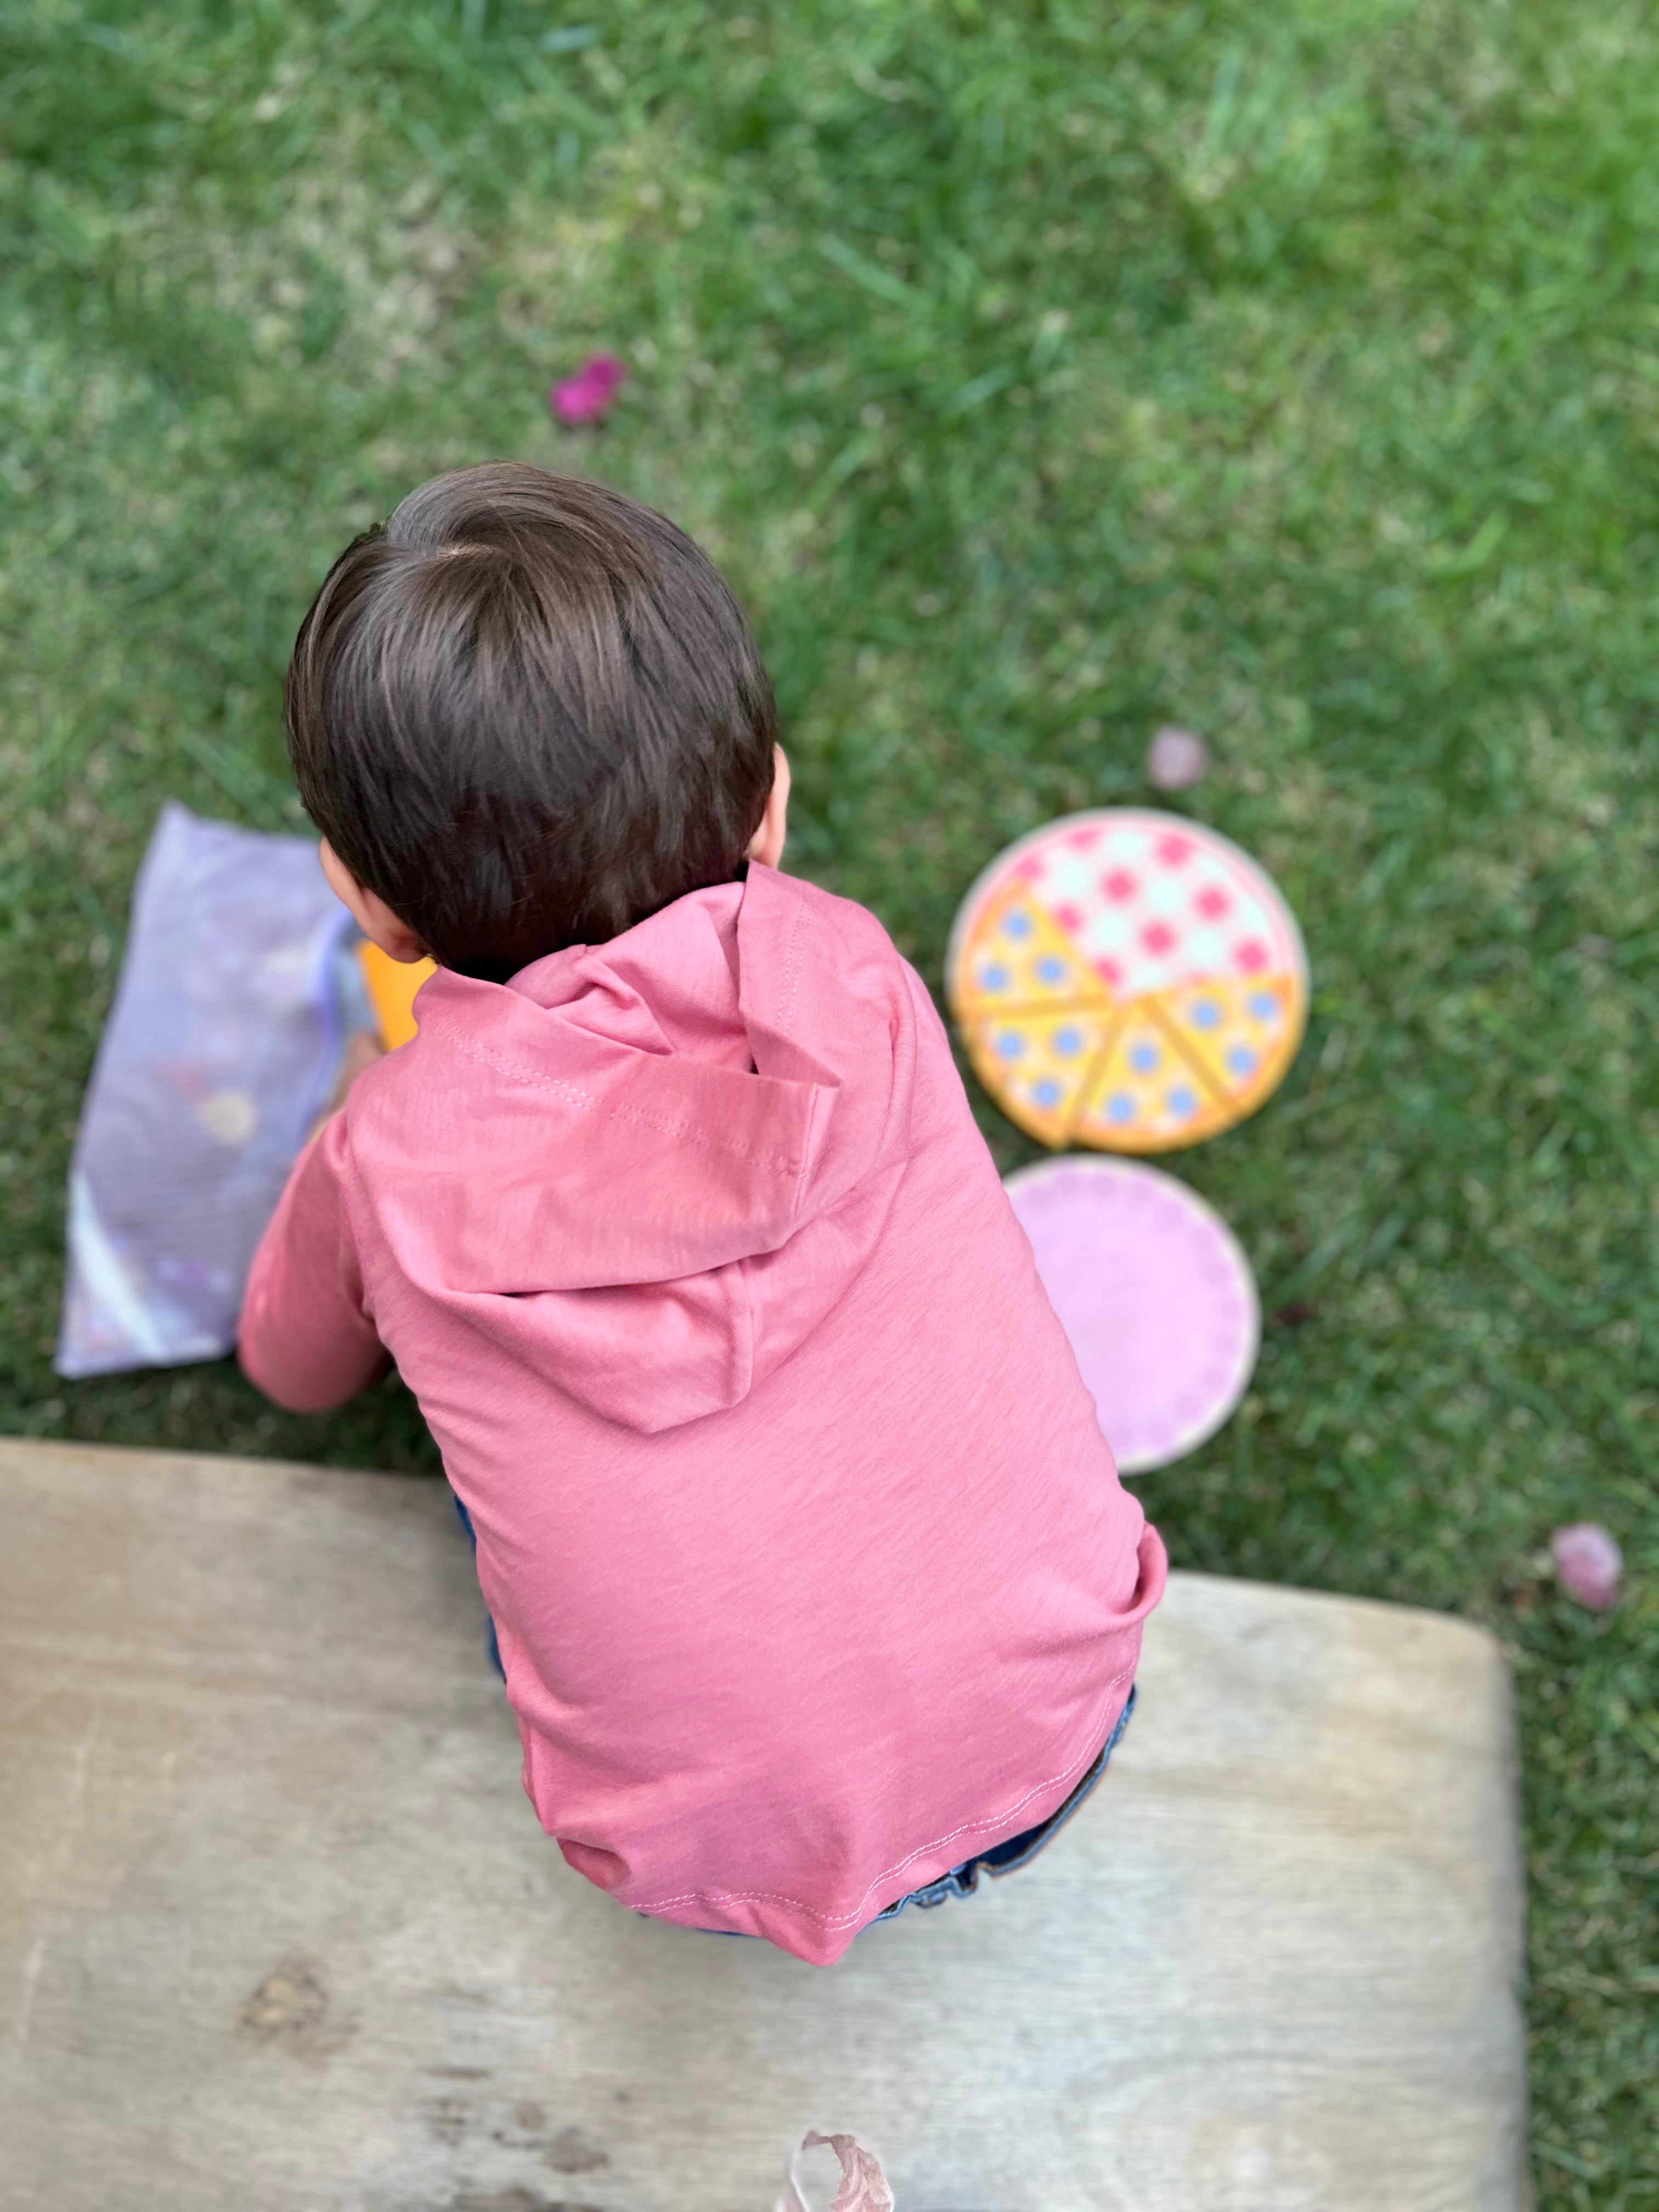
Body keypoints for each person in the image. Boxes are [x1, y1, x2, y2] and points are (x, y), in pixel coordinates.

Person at [240, 462, 1167, 1965]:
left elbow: (292, 1368)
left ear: (372, 912)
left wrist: (368, 1102)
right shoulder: (859, 984)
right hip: (1068, 1707)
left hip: (705, 1849)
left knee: (503, 1504)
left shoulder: (386, 1168)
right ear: (776, 810)